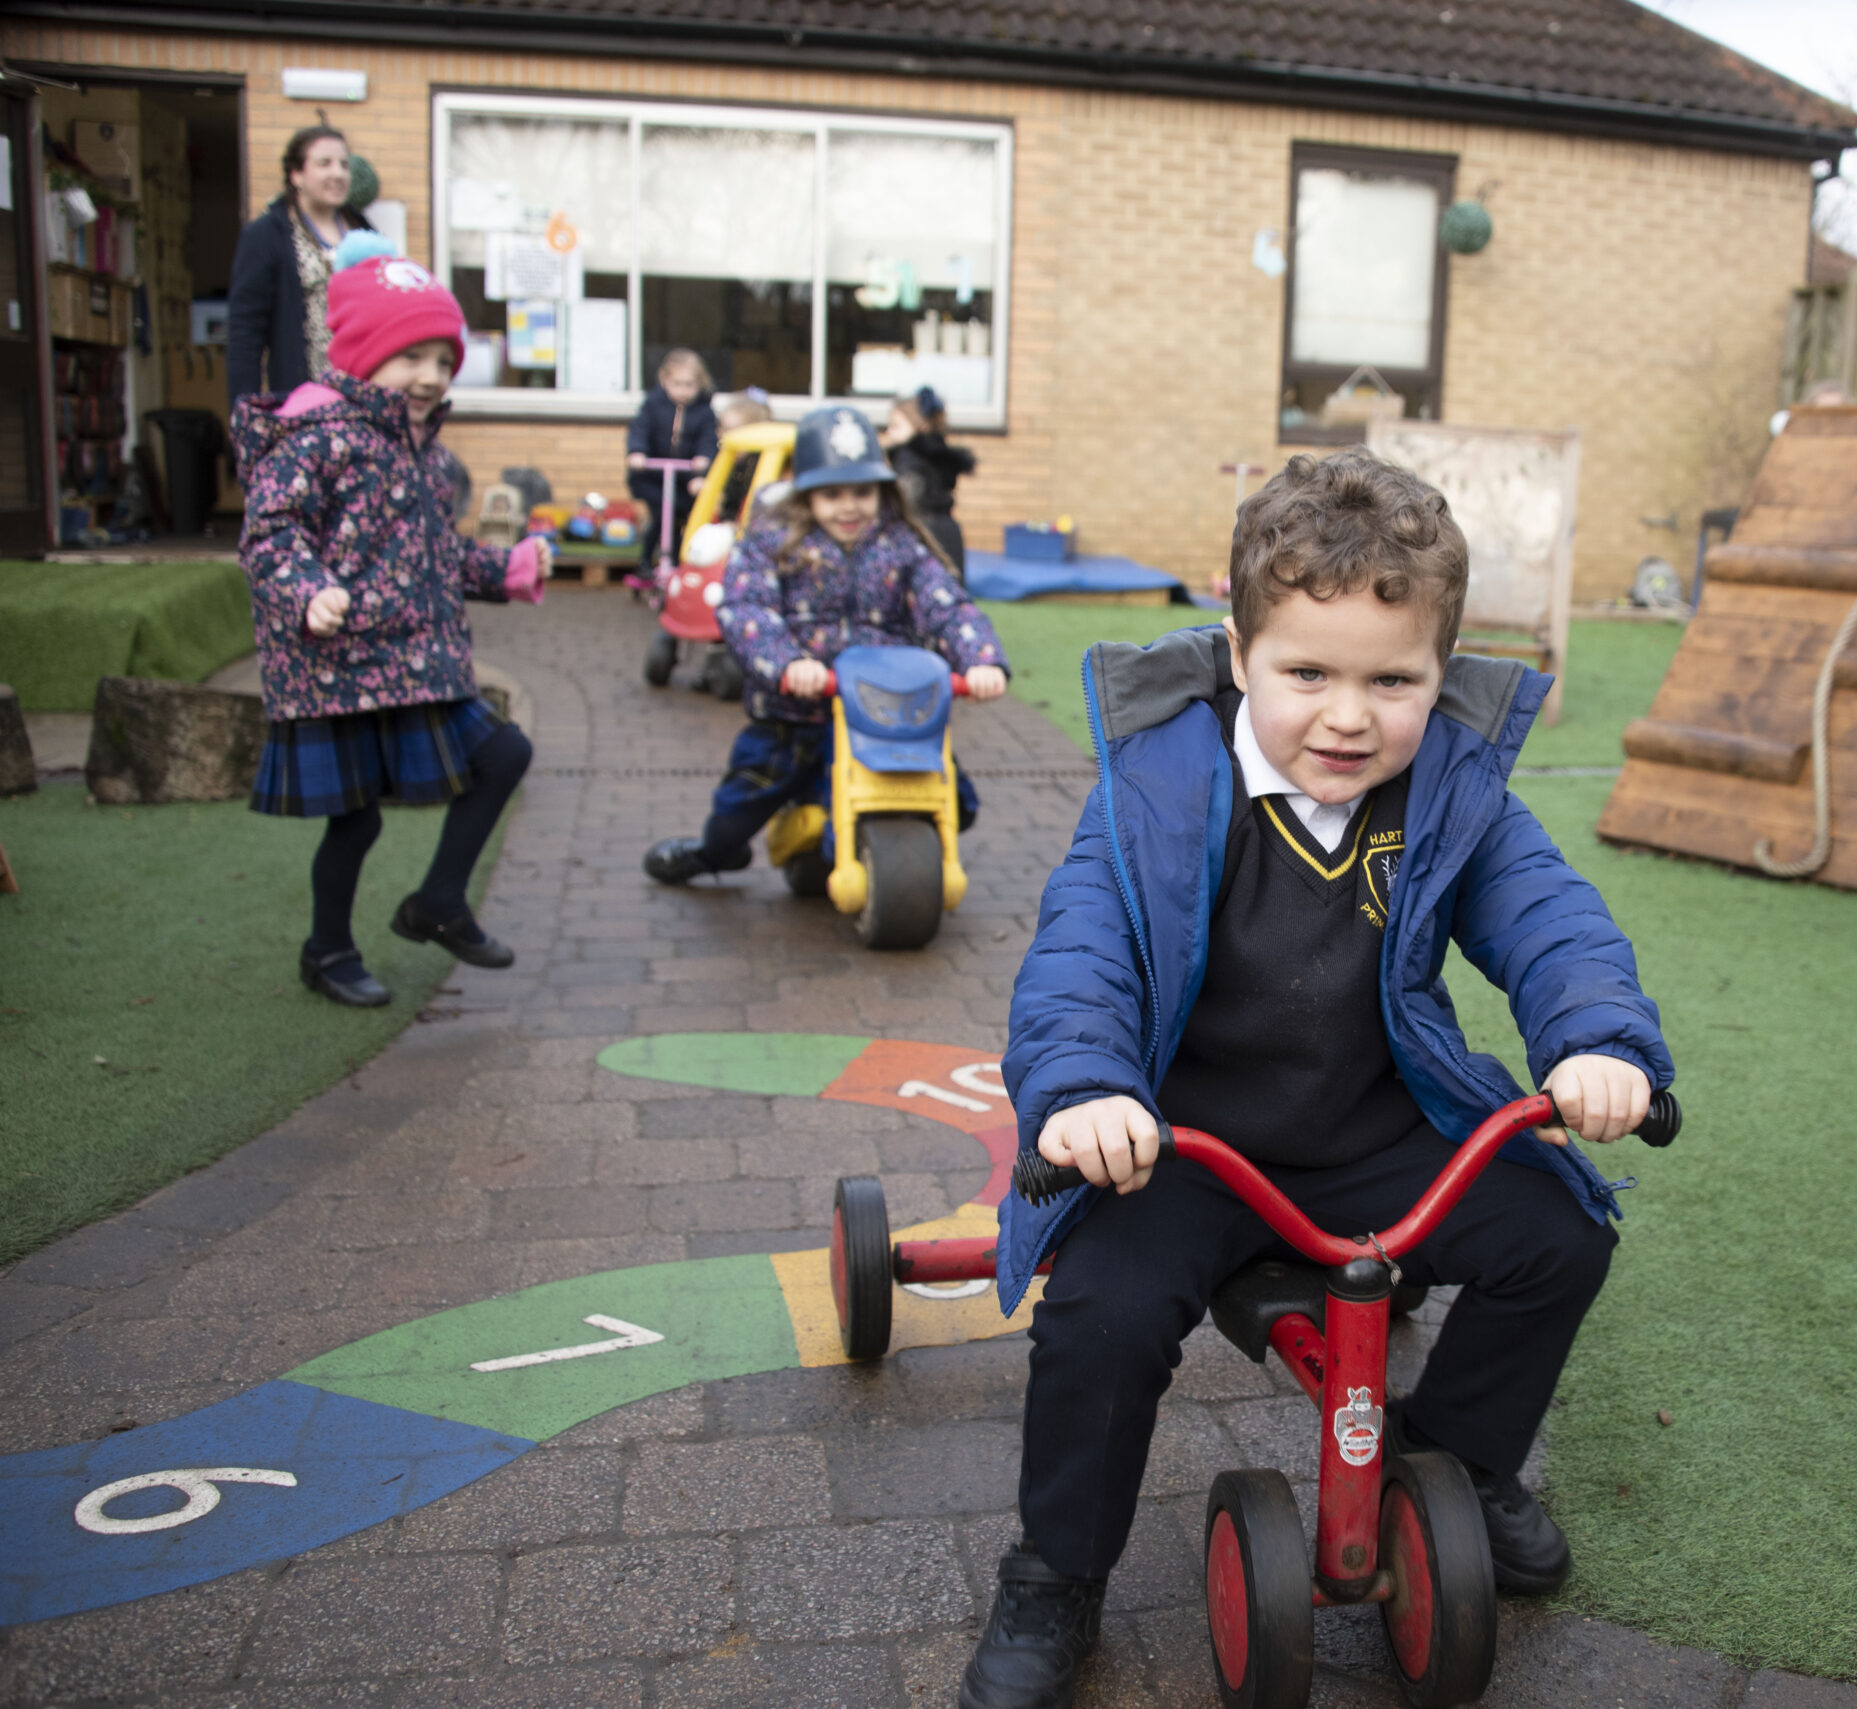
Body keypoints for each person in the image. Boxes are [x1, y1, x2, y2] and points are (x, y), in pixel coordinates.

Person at [962, 448, 1676, 1708]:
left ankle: (1452, 1460)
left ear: (1439, 673)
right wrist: (1084, 1087)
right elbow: (1081, 953)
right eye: (1308, 673)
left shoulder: (1451, 793)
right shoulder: (1158, 795)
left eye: (1392, 681)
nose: (1349, 717)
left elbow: (1549, 918)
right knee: (1102, 1318)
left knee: (1558, 1232)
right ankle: (1055, 1570)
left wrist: (1596, 1039)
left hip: (1377, 1128)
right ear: (1241, 654)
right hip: (1185, 1144)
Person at [233, 233, 553, 1007]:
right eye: (411, 356)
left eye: (444, 360)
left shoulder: (428, 456)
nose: (431, 376)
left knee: (504, 752)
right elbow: (270, 533)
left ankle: (438, 900)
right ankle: (327, 950)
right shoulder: (317, 437)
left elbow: (437, 554)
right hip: (338, 667)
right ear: (361, 354)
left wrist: (507, 568)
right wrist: (308, 589)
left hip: (416, 663)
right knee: (357, 822)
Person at [641, 405, 1008, 886]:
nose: (848, 507)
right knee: (741, 802)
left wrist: (980, 660)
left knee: (955, 800)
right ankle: (714, 852)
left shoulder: (900, 544)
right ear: (806, 493)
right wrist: (787, 663)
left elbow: (947, 605)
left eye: (862, 492)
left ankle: (867, 853)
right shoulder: (774, 541)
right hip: (795, 713)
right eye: (832, 494)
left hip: (881, 713)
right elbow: (747, 608)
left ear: (882, 491)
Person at [226, 125, 372, 411]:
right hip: (303, 403)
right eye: (324, 163)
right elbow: (244, 336)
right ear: (296, 175)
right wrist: (244, 416)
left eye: (344, 165)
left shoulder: (364, 232)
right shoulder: (266, 235)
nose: (338, 173)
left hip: (363, 400)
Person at [626, 348, 721, 556]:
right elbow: (640, 428)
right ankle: (646, 561)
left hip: (684, 478)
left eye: (689, 385)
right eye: (677, 384)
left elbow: (708, 438)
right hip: (652, 477)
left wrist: (703, 458)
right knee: (662, 514)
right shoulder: (653, 405)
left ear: (699, 384)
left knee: (680, 515)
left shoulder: (704, 411)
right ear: (665, 381)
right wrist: (637, 452)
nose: (683, 391)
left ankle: (677, 559)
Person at [882, 386, 975, 576]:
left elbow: (902, 505)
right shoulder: (940, 458)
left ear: (920, 426)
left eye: (896, 426)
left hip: (923, 536)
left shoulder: (906, 460)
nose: (888, 432)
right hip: (949, 534)